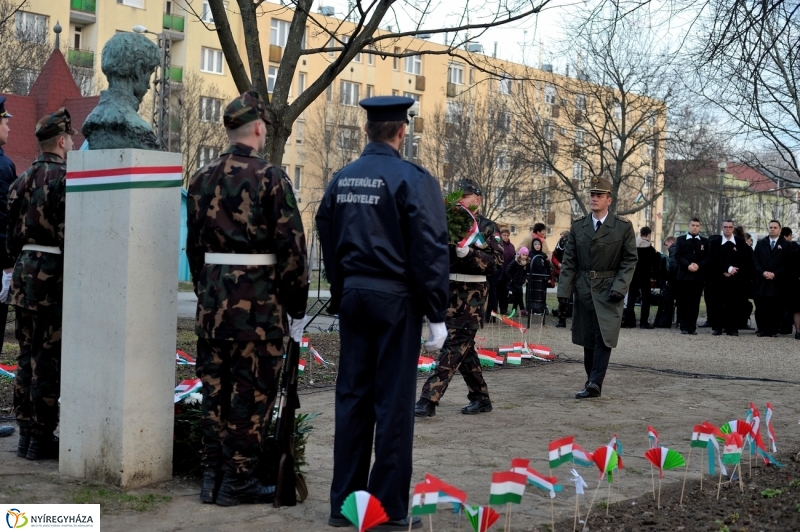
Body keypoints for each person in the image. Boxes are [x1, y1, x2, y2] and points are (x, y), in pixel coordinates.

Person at [316, 96, 449, 530]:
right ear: (401, 131)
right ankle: (387, 507)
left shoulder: (342, 178)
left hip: (355, 294)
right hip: (395, 301)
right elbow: (429, 247)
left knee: (352, 398)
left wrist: (342, 286)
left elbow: (325, 227)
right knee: (392, 402)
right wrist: (436, 312)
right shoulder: (412, 179)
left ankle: (344, 505)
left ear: (368, 131)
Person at [186, 91, 309, 506]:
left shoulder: (201, 178)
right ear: (259, 127)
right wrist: (297, 306)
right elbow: (293, 249)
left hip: (213, 305)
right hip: (258, 308)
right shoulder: (271, 177)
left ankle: (211, 475)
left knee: (214, 390)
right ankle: (237, 481)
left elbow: (193, 249)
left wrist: (208, 290)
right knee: (250, 393)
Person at [5, 109, 74, 459]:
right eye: (70, 139)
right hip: (53, 276)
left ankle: (26, 435)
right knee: (48, 359)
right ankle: (42, 438)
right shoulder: (65, 179)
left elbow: (10, 240)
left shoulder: (21, 180)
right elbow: (70, 237)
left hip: (24, 273)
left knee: (27, 355)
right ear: (62, 141)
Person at [414, 178, 503, 417]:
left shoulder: (485, 227)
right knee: (464, 349)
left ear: (478, 199)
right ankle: (480, 397)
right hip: (447, 292)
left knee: (453, 347)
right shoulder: (448, 223)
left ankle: (428, 399)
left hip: (471, 298)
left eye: (466, 196)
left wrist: (470, 254)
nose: (462, 200)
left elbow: (496, 262)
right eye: (459, 196)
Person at [557, 177, 637, 399]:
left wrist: (620, 287)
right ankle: (591, 379)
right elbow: (569, 262)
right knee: (588, 337)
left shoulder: (622, 228)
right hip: (583, 288)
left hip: (609, 287)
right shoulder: (578, 226)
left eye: (599, 195)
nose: (594, 198)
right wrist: (564, 292)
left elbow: (629, 260)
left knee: (604, 336)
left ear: (609, 200)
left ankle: (595, 382)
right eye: (592, 195)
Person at [0, 97, 16, 439]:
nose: (8, 128)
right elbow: (4, 221)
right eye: (4, 121)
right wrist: (6, 265)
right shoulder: (3, 166)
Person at [707, 220, 750, 336]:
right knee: (718, 304)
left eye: (730, 227)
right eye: (725, 227)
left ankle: (732, 328)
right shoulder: (715, 242)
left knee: (734, 304)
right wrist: (726, 269)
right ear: (722, 227)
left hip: (736, 278)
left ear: (733, 228)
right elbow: (714, 259)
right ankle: (717, 327)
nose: (728, 229)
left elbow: (744, 258)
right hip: (719, 278)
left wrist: (733, 270)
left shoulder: (740, 242)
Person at [752, 220, 789, 337]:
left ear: (780, 230)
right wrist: (762, 272)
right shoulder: (761, 243)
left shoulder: (786, 245)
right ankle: (763, 329)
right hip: (762, 280)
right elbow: (755, 260)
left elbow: (787, 263)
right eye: (771, 227)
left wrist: (775, 274)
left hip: (777, 281)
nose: (772, 229)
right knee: (762, 306)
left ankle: (773, 329)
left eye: (775, 227)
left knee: (776, 307)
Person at [674, 218, 708, 335]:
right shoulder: (681, 240)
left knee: (695, 302)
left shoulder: (704, 241)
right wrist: (687, 265)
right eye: (693, 225)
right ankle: (683, 326)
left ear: (700, 227)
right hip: (684, 276)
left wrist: (698, 265)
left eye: (697, 225)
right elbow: (677, 255)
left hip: (698, 277)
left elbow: (707, 258)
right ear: (688, 226)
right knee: (683, 302)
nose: (695, 227)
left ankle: (692, 326)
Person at [622, 226, 658, 329]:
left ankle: (629, 321)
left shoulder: (632, 247)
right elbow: (655, 265)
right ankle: (643, 322)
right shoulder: (650, 249)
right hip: (645, 277)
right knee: (646, 299)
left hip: (633, 276)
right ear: (649, 235)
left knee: (631, 299)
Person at [654, 236, 677, 328]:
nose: (667, 248)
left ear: (671, 242)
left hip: (673, 281)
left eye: (667, 245)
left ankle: (664, 322)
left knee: (668, 300)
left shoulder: (673, 251)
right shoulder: (678, 250)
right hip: (679, 280)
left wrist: (668, 279)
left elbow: (672, 266)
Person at [552, 230, 570, 328]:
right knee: (563, 296)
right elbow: (555, 255)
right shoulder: (562, 243)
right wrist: (559, 264)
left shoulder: (576, 240)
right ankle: (561, 319)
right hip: (564, 272)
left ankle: (565, 320)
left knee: (574, 298)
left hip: (575, 272)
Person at [496, 227, 516, 315]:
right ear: (500, 235)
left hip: (507, 274)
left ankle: (504, 310)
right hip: (498, 273)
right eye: (504, 235)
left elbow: (513, 259)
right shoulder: (497, 245)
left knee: (505, 293)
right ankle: (494, 310)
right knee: (496, 293)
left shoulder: (511, 246)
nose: (506, 237)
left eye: (507, 235)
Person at [506, 246, 529, 317]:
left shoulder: (526, 263)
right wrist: (511, 278)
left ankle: (517, 311)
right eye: (523, 254)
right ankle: (519, 310)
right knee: (513, 298)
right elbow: (508, 269)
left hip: (519, 283)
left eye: (526, 255)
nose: (524, 256)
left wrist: (525, 279)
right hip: (513, 284)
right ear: (520, 254)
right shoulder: (515, 262)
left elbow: (526, 273)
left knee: (519, 297)